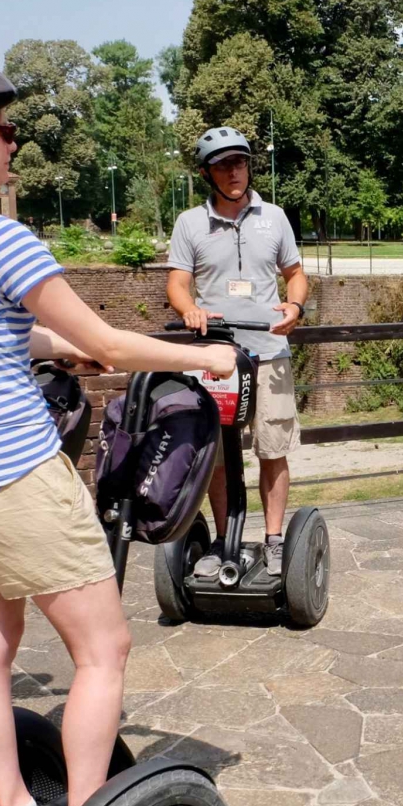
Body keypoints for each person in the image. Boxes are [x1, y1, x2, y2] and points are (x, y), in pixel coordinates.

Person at [0, 50, 237, 806]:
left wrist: (40, 342)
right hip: (13, 476)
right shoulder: (0, 240)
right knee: (104, 650)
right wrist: (205, 355)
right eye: (5, 133)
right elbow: (113, 345)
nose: (11, 146)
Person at [165, 127, 309, 579]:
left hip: (269, 351)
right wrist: (189, 310)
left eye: (240, 162)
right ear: (207, 172)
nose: (234, 172)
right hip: (218, 359)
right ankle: (225, 539)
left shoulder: (275, 217)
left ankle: (273, 539)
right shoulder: (191, 223)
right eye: (224, 164)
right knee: (218, 456)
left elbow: (296, 273)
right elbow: (177, 284)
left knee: (272, 448)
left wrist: (295, 305)